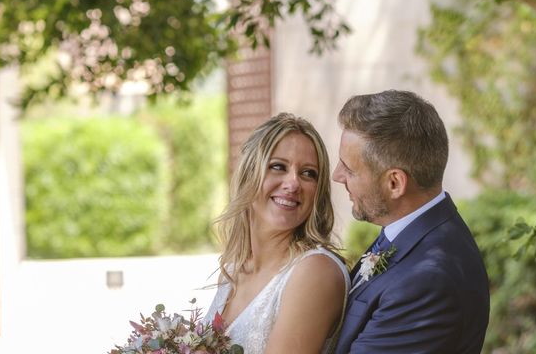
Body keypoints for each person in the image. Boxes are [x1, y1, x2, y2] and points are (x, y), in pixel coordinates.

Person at [333, 90, 490, 354]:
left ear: (394, 183)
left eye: (349, 169)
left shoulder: (427, 282)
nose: (337, 176)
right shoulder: (409, 232)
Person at [205, 112, 350, 354]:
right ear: (248, 174)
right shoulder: (232, 271)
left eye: (308, 173)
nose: (293, 183)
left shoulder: (314, 271)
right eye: (278, 167)